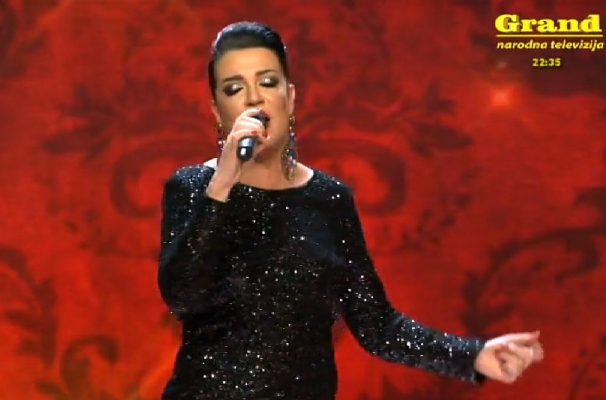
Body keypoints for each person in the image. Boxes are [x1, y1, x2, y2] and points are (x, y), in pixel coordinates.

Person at [157, 21, 543, 400]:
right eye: (234, 88)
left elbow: (377, 325)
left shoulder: (329, 199)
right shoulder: (194, 187)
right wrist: (221, 185)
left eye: (268, 82)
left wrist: (472, 357)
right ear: (217, 109)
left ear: (290, 97)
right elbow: (182, 297)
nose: (254, 99)